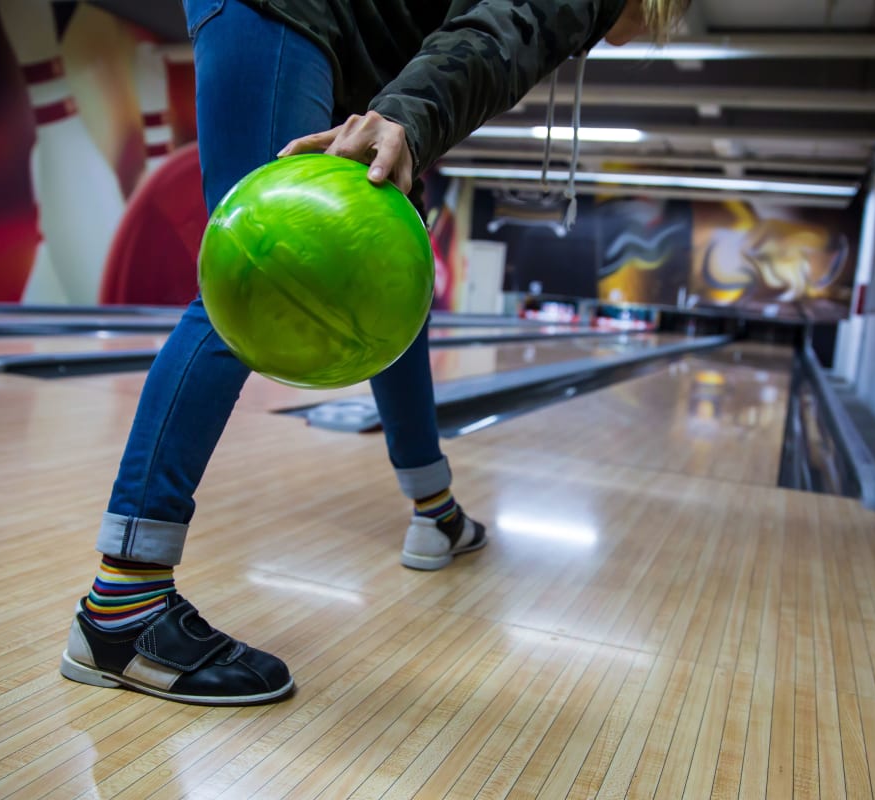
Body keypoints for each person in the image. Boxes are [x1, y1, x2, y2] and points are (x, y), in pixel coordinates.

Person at [59, 0, 688, 706]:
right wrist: (413, 118)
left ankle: (437, 513)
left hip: (350, 47)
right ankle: (125, 607)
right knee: (253, 280)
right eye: (659, 24)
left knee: (388, 280)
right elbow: (504, 28)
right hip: (288, 12)